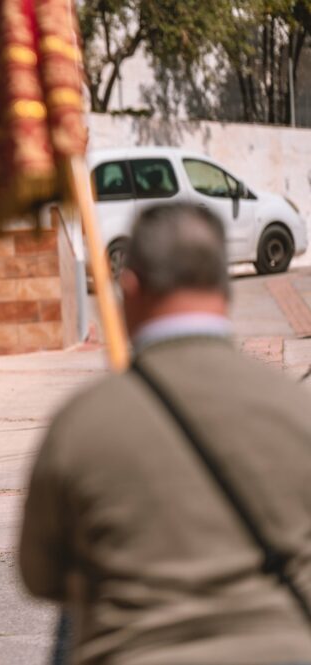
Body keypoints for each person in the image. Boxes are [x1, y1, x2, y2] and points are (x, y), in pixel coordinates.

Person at [19, 203, 311, 664]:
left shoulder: (83, 422)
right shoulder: (295, 409)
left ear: (130, 288)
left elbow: (39, 575)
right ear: (224, 287)